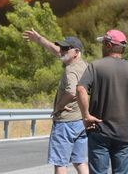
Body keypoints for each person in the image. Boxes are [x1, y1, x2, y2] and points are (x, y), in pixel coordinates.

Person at [76, 30, 128, 174]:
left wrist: (86, 115)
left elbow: (80, 89)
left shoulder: (95, 66)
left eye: (103, 44)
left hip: (99, 131)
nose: (102, 47)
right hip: (125, 133)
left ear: (108, 45)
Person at [23, 28, 88, 174]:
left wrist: (59, 105)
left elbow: (71, 92)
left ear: (76, 52)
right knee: (80, 161)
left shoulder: (70, 70)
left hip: (65, 123)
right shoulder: (83, 65)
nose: (62, 51)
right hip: (80, 121)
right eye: (62, 48)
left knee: (60, 163)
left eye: (67, 49)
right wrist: (40, 39)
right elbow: (57, 52)